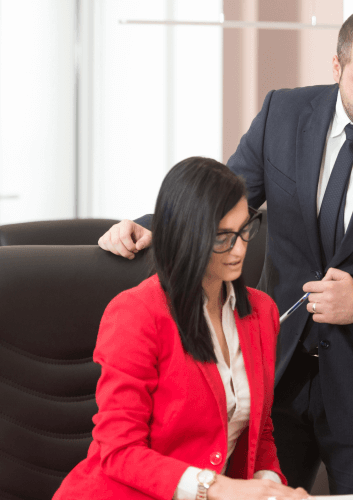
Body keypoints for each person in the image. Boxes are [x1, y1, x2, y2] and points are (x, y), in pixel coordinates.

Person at [97, 6, 353, 494]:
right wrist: (153, 227)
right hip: (272, 378)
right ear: (337, 66)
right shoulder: (283, 113)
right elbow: (226, 200)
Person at [55, 157, 310, 500]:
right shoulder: (136, 314)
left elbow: (258, 431)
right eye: (222, 237)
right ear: (184, 235)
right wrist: (219, 488)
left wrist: (271, 488)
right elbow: (119, 451)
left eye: (244, 229)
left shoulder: (261, 312)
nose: (239, 249)